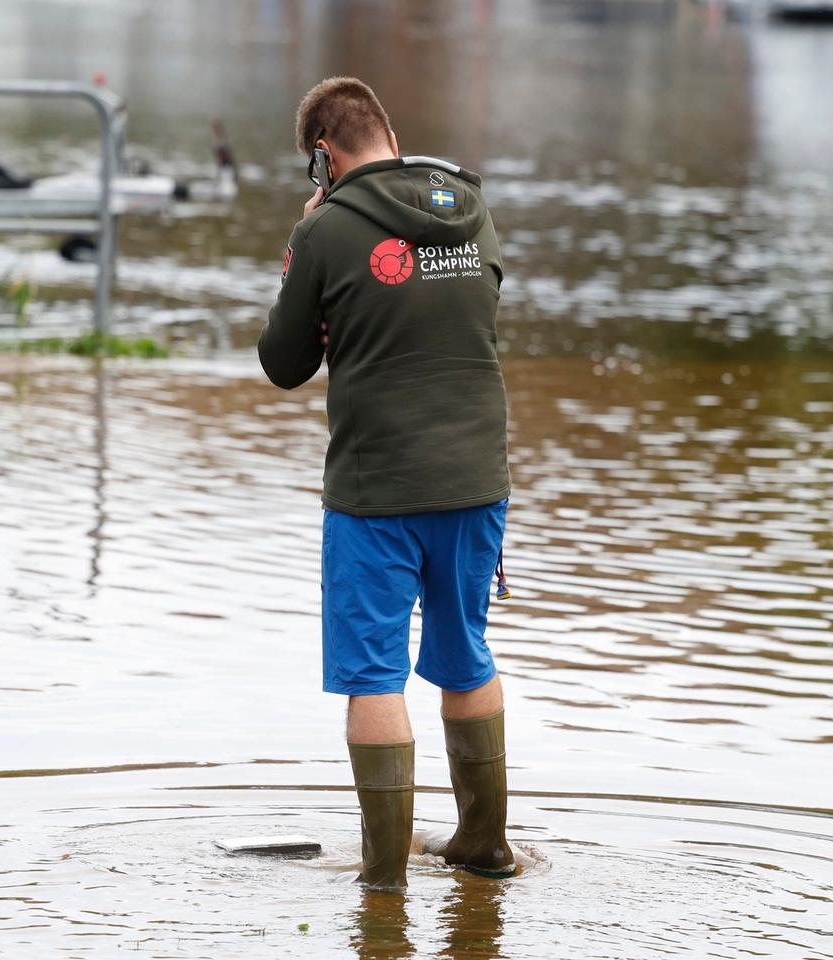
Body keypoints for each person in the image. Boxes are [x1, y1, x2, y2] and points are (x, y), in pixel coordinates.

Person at [257, 77, 515, 889]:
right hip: (478, 479)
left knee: (374, 674)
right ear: (389, 134)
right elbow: (471, 309)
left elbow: (284, 363)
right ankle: (483, 846)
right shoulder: (471, 209)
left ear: (323, 157)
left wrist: (303, 255)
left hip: (378, 490)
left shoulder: (327, 230)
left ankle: (384, 880)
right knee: (465, 655)